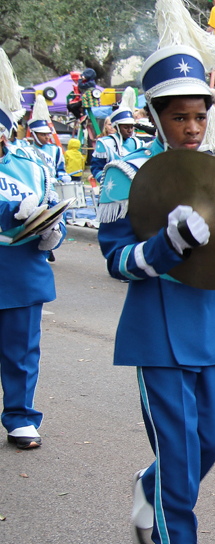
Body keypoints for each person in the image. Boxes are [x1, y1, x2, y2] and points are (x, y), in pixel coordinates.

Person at [98, 0, 215, 544]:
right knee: (180, 446)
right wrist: (162, 247)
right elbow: (114, 260)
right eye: (178, 117)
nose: (191, 127)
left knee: (211, 441)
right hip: (157, 329)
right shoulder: (126, 172)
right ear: (155, 115)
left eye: (198, 116)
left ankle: (151, 487)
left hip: (212, 322)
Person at [0, 48, 66, 451]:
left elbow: (49, 201)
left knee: (22, 352)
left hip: (23, 269)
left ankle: (21, 416)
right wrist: (10, 210)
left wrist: (51, 231)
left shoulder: (31, 164)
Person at [91, 88, 143, 183]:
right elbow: (96, 168)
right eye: (126, 127)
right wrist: (106, 182)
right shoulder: (104, 143)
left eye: (131, 127)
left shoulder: (138, 143)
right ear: (117, 127)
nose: (129, 130)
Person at [27, 96, 66, 181]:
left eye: (47, 134)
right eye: (43, 135)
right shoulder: (26, 151)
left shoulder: (55, 150)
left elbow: (60, 169)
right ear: (34, 135)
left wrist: (63, 175)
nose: (47, 137)